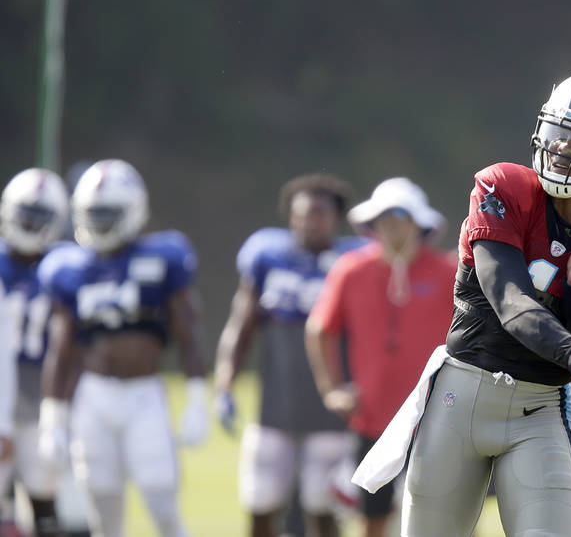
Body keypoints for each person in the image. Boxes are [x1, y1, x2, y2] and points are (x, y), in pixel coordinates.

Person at [353, 71, 571, 537]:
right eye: (558, 136)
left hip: (538, 412)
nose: (560, 150)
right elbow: (510, 301)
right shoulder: (505, 188)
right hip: (460, 399)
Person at [36, 159, 209, 537]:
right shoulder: (69, 267)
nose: (98, 222)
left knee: (161, 499)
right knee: (102, 507)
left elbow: (188, 333)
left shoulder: (164, 257)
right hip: (93, 396)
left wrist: (197, 398)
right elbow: (61, 347)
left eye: (107, 213)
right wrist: (54, 416)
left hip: (144, 394)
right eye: (92, 214)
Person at [212, 173, 365, 537]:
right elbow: (241, 325)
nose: (311, 222)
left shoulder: (354, 262)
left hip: (331, 410)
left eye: (320, 214)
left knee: (322, 508)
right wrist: (224, 382)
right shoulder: (268, 256)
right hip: (274, 409)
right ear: (289, 216)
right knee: (260, 502)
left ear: (336, 219)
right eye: (303, 214)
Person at [305, 177, 457, 537]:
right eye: (383, 218)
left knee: (448, 514)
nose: (391, 226)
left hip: (436, 416)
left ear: (419, 223)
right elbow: (318, 330)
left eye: (400, 217)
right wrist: (331, 390)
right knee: (372, 516)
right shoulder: (351, 269)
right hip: (372, 418)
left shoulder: (450, 272)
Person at [0, 168, 70, 536]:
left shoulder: (65, 265)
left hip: (45, 394)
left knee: (45, 494)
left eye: (38, 218)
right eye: (24, 214)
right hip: (1, 390)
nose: (29, 225)